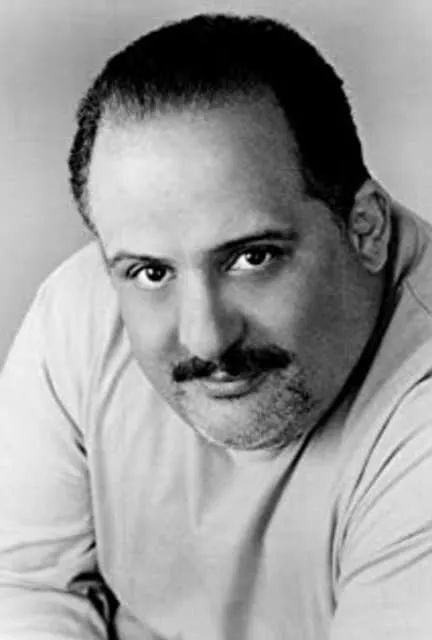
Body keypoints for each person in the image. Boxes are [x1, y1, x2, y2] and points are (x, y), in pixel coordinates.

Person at [0, 12, 432, 640]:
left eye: (252, 258)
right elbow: (24, 585)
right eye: (151, 272)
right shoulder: (80, 312)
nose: (206, 339)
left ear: (365, 228)